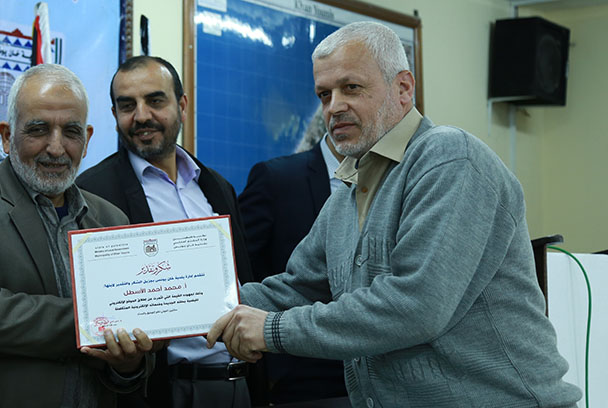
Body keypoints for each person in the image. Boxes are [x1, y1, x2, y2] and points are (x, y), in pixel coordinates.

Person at [208, 21, 583, 407]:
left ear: (403, 88)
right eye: (324, 94)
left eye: (351, 87)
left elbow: (416, 305)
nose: (334, 107)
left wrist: (272, 330)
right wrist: (192, 303)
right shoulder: (347, 194)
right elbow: (296, 289)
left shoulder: (450, 158)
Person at [0, 63, 155, 408]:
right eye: (38, 129)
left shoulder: (111, 219)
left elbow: (126, 358)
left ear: (87, 140)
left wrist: (128, 361)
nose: (56, 148)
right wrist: (105, 319)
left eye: (71, 132)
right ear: (6, 136)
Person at [77, 56, 255, 408]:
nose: (141, 116)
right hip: (161, 390)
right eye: (127, 106)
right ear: (114, 115)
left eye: (155, 100)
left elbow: (244, 281)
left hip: (239, 383)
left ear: (182, 106)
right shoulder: (93, 192)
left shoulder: (216, 186)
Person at [238, 129, 349, 404]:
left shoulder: (392, 180)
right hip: (299, 372)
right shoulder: (277, 178)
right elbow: (241, 264)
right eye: (327, 103)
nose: (338, 108)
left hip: (376, 366)